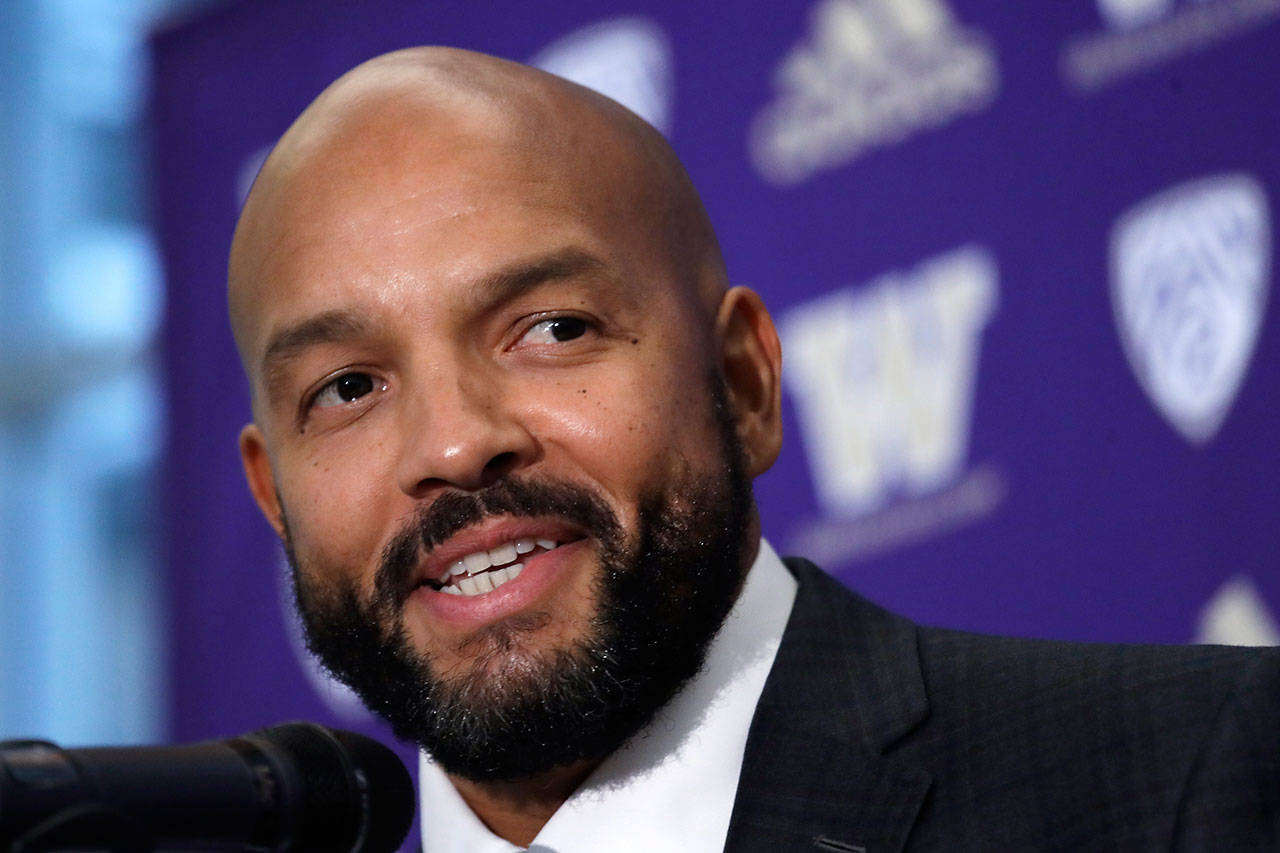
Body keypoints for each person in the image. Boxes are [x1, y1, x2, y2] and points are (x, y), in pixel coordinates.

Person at [227, 47, 1280, 852]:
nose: (453, 444)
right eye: (347, 388)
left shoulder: (1196, 774)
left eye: (552, 329)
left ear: (743, 382)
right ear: (277, 499)